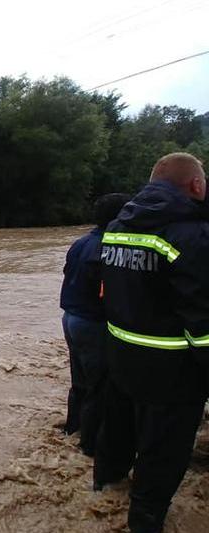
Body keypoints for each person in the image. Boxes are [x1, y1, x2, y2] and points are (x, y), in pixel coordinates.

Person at [94, 152, 209, 533]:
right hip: (171, 370)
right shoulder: (189, 235)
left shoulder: (118, 225)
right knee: (163, 453)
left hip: (120, 356)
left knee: (119, 431)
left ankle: (103, 489)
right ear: (196, 185)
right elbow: (202, 318)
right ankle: (143, 521)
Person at [59, 193, 131, 456]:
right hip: (92, 323)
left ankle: (71, 429)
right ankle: (88, 447)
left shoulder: (81, 243)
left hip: (71, 317)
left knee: (79, 381)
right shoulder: (108, 248)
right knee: (99, 387)